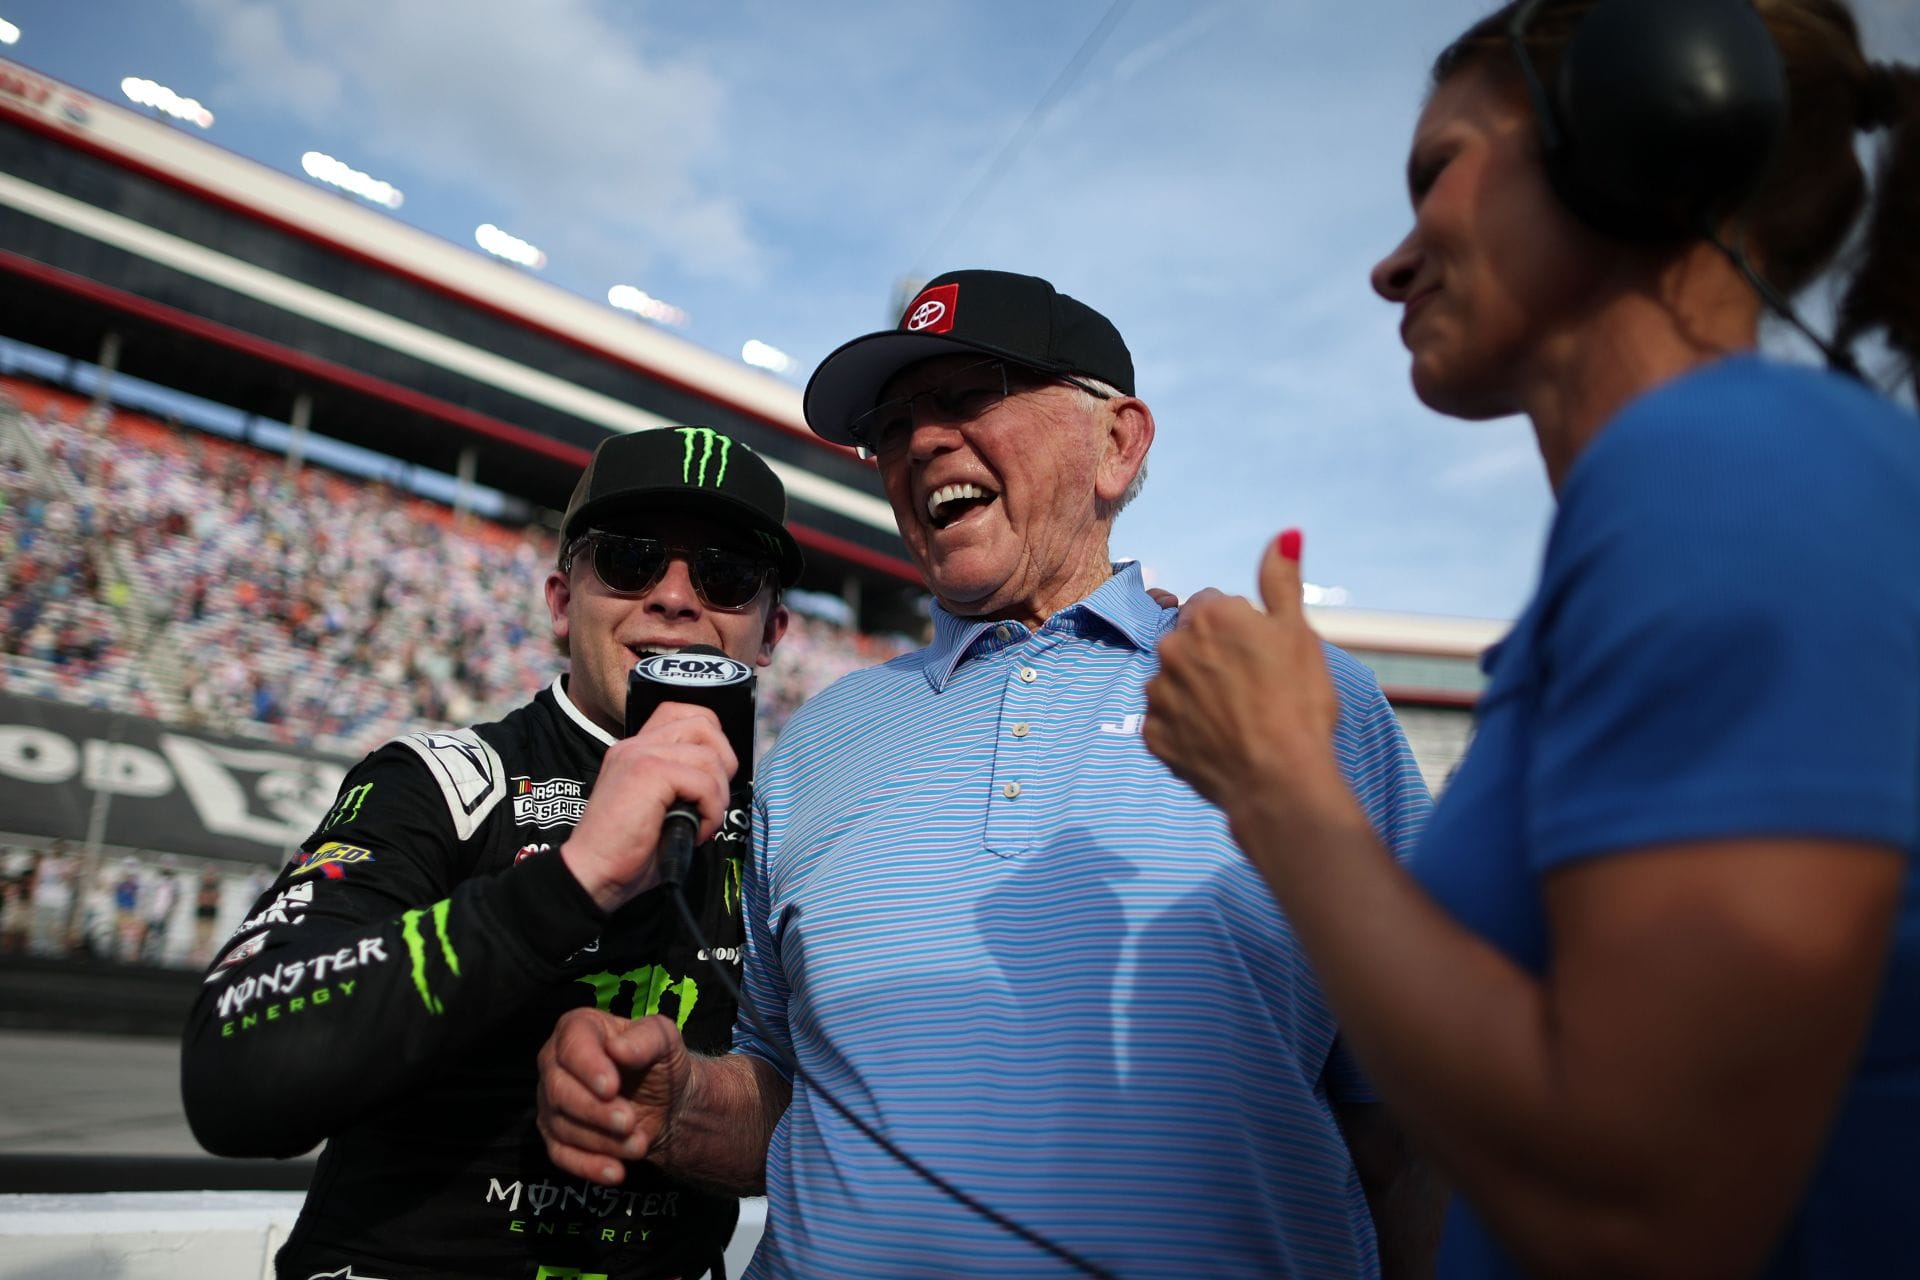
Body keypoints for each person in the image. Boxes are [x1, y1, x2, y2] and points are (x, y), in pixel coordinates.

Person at [1142, 2, 1920, 1276]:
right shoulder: (1691, 498)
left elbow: (1642, 1206)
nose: (1388, 265)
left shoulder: (1733, 470)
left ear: (1634, 125)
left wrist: (1275, 779)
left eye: (1437, 169)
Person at [536, 269, 1441, 1277]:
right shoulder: (820, 739)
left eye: (970, 398)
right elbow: (791, 1091)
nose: (921, 442)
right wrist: (684, 1107)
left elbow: (1419, 1129)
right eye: (892, 426)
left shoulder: (1306, 697)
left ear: (1118, 442)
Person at [180, 426, 801, 1280]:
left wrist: (690, 1104)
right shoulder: (441, 781)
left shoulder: (790, 835)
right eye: (628, 560)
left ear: (772, 632)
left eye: (726, 575)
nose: (674, 597)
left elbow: (835, 1120)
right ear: (559, 601)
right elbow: (231, 1077)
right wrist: (572, 882)